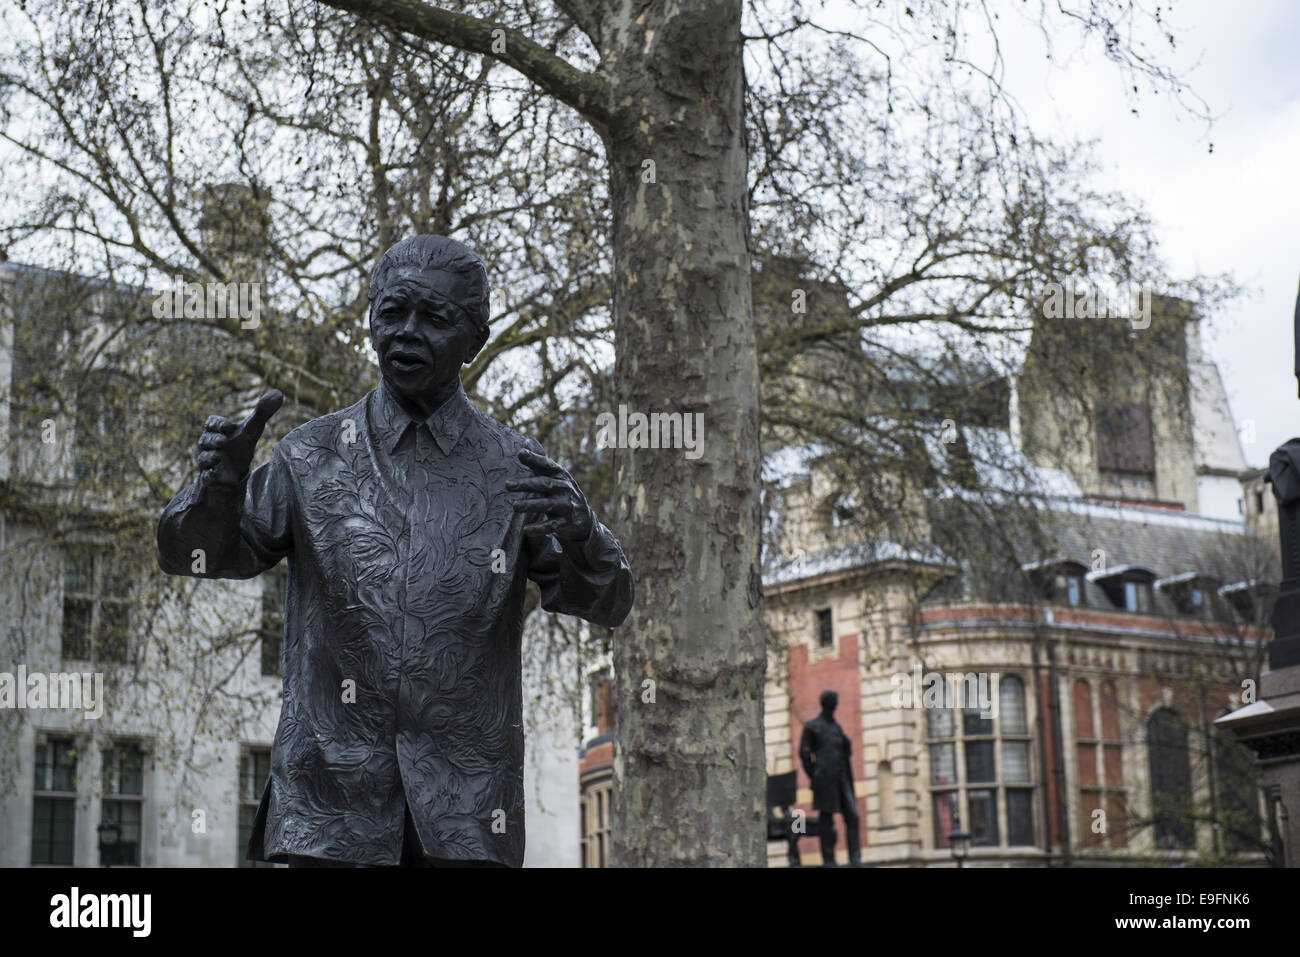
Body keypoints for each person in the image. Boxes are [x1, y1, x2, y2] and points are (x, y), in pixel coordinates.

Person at [157, 235, 634, 867]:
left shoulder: (515, 471)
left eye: (434, 318)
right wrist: (217, 491)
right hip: (327, 814)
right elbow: (199, 555)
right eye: (392, 312)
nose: (406, 332)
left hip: (464, 818)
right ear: (372, 321)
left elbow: (609, 603)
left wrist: (584, 535)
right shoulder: (310, 456)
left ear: (476, 339)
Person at [798, 690, 861, 866]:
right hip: (825, 779)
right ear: (827, 704)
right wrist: (815, 774)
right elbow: (804, 753)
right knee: (826, 818)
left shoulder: (836, 728)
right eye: (834, 702)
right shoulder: (812, 726)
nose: (836, 705)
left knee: (853, 815)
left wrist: (846, 744)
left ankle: (855, 858)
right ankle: (829, 860)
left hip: (842, 778)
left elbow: (844, 751)